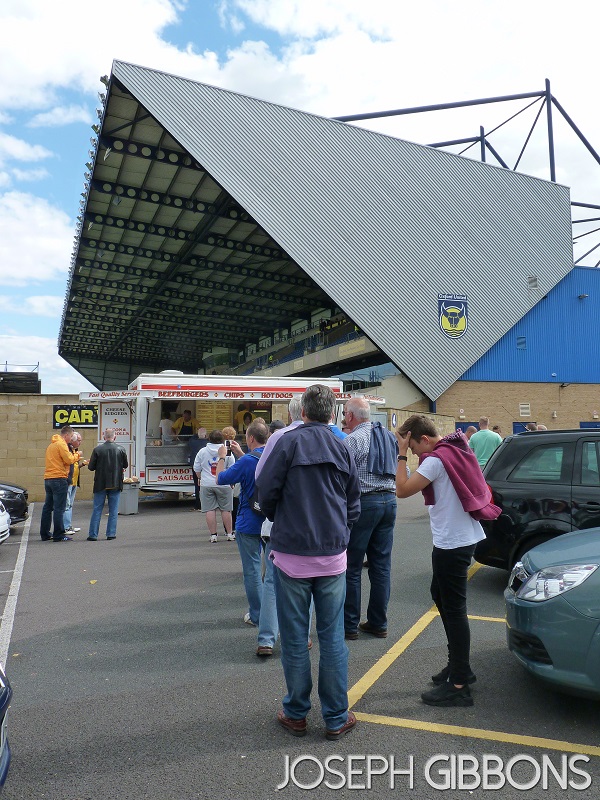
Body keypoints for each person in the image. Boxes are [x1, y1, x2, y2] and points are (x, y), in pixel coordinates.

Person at [256, 384, 361, 740]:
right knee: (332, 639)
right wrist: (341, 532)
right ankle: (336, 716)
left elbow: (265, 493)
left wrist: (281, 519)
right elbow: (353, 501)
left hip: (291, 555)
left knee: (296, 638)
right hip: (332, 556)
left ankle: (296, 713)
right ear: (332, 413)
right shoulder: (342, 446)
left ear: (302, 412)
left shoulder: (286, 443)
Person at [394, 415, 500, 707]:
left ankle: (459, 684)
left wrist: (401, 455)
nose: (414, 453)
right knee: (439, 595)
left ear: (424, 439)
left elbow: (402, 489)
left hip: (453, 542)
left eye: (413, 447)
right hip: (459, 538)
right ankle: (458, 666)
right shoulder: (456, 448)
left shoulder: (436, 460)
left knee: (454, 610)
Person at [342, 397, 398, 640]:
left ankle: (349, 625)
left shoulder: (352, 440)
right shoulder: (387, 436)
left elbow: (343, 476)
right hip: (389, 501)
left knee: (352, 567)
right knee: (381, 566)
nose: (344, 418)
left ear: (351, 416)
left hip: (365, 503)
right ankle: (378, 622)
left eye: (345, 413)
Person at [216, 420, 269, 629]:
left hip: (249, 521)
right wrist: (241, 454)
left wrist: (222, 457)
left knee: (252, 570)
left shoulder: (247, 461)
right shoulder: (273, 455)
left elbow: (221, 478)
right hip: (272, 519)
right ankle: (272, 614)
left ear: (251, 438)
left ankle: (257, 614)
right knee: (273, 571)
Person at [40, 425, 81, 542]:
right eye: (71, 436)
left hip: (48, 478)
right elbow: (69, 459)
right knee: (59, 508)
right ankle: (58, 534)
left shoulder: (51, 445)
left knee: (48, 507)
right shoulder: (61, 444)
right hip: (59, 478)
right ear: (66, 435)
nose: (71, 439)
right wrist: (77, 455)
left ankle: (45, 533)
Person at [87, 429, 129, 541]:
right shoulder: (121, 449)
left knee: (97, 509)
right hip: (115, 483)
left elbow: (91, 467)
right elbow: (125, 465)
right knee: (113, 510)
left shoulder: (97, 449)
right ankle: (111, 534)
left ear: (104, 437)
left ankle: (93, 534)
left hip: (100, 483)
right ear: (114, 437)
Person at [194, 430, 235, 543]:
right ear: (222, 439)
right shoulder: (226, 451)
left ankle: (213, 535)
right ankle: (229, 533)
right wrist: (231, 482)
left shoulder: (202, 451)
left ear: (209, 439)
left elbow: (196, 467)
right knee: (226, 510)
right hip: (224, 483)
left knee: (210, 510)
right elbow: (232, 467)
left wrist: (200, 478)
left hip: (207, 484)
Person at [64, 432, 87, 534]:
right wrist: (77, 455)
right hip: (68, 482)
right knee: (66, 505)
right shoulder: (68, 449)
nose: (80, 443)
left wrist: (83, 464)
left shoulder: (74, 450)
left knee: (70, 505)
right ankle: (65, 527)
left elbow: (75, 466)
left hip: (74, 481)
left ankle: (68, 525)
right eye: (78, 440)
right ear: (72, 440)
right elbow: (69, 462)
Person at [187, 428, 208, 511]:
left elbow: (191, 438)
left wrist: (197, 434)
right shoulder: (207, 443)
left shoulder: (193, 442)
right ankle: (206, 503)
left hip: (195, 466)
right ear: (205, 435)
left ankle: (198, 504)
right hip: (206, 466)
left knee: (197, 485)